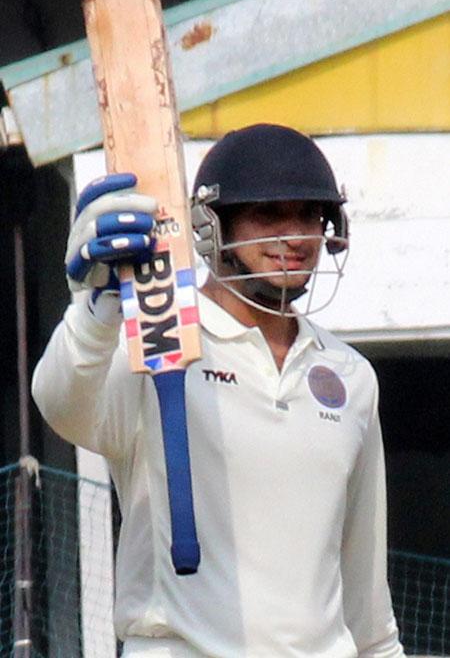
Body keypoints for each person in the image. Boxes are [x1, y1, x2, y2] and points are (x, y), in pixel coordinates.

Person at [32, 123, 405, 657]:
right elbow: (61, 404)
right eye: (268, 215)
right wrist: (95, 309)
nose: (295, 237)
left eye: (308, 215)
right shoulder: (158, 343)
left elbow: (368, 609)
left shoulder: (348, 375)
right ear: (212, 226)